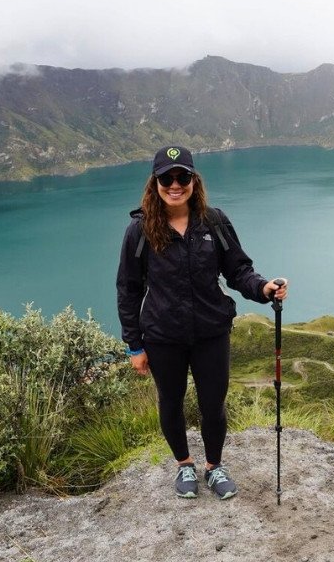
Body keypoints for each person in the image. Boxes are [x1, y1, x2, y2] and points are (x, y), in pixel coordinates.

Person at [116, 145, 288, 500]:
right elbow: (129, 289)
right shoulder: (140, 231)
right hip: (163, 336)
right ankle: (184, 464)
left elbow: (238, 270)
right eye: (166, 177)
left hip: (210, 331)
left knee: (214, 402)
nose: (174, 184)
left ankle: (214, 466)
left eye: (183, 177)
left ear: (194, 180)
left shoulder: (214, 222)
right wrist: (134, 345)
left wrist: (263, 288)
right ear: (155, 182)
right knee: (171, 401)